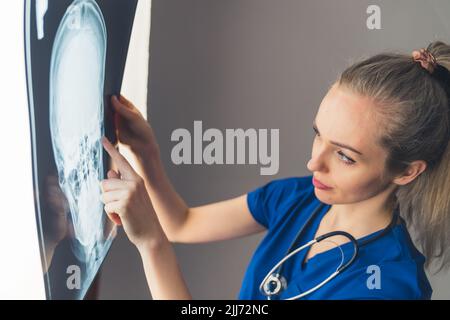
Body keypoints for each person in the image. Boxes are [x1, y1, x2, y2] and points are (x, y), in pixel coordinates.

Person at [99, 41, 450, 300]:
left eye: (344, 156)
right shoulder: (300, 197)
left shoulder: (386, 286)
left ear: (406, 172)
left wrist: (151, 244)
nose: (314, 163)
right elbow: (182, 224)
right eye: (318, 136)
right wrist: (146, 153)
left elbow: (163, 234)